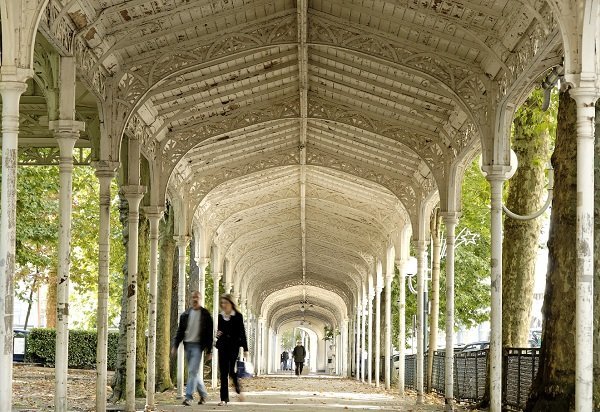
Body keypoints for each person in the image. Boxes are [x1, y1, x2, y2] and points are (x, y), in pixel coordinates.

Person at [171, 291, 214, 406]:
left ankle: (188, 397)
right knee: (194, 372)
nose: (195, 299)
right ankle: (203, 394)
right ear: (191, 299)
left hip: (198, 346)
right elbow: (180, 332)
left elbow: (210, 334)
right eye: (193, 297)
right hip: (188, 345)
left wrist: (209, 351)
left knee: (192, 371)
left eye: (197, 297)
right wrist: (175, 346)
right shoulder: (185, 315)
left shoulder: (206, 315)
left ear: (200, 299)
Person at [215, 294, 249, 406]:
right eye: (222, 303)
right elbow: (219, 331)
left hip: (233, 347)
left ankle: (238, 390)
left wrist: (245, 349)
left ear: (231, 303)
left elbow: (242, 332)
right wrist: (218, 334)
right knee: (223, 372)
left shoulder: (238, 316)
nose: (223, 305)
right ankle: (224, 399)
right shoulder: (220, 316)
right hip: (222, 347)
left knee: (231, 371)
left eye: (225, 303)